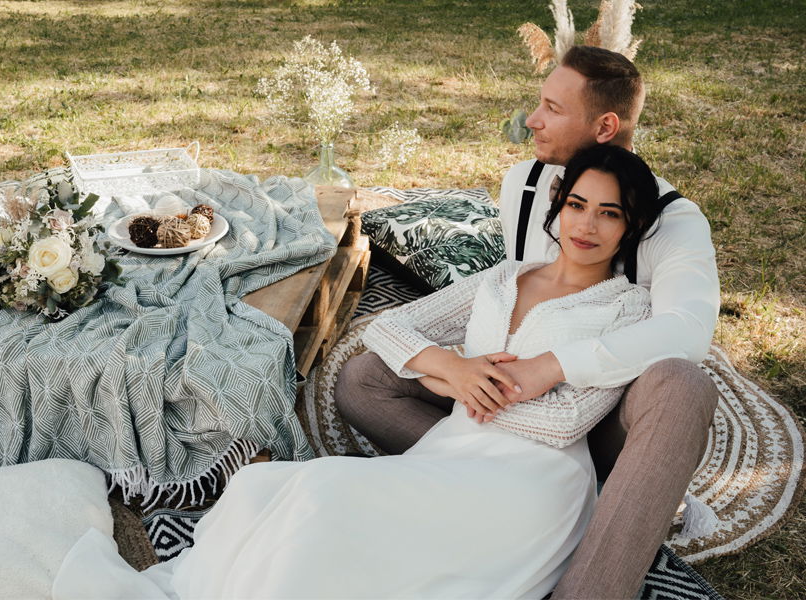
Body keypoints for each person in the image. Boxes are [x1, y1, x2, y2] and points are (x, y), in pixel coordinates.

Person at [52, 144, 663, 599]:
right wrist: (451, 365)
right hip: (453, 453)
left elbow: (567, 422)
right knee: (266, 490)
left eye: (609, 214)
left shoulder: (626, 307)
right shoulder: (507, 278)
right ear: (558, 204)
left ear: (631, 225)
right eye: (578, 204)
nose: (586, 225)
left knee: (324, 496)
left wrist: (475, 389)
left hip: (535, 487)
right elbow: (387, 328)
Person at [335, 46, 720, 599]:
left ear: (604, 126)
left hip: (601, 408)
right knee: (363, 378)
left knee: (683, 386)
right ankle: (475, 489)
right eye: (575, 206)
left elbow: (686, 333)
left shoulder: (675, 221)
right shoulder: (526, 182)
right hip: (500, 395)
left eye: (551, 108)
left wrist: (553, 366)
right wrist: (458, 371)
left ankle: (594, 570)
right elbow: (514, 287)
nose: (531, 120)